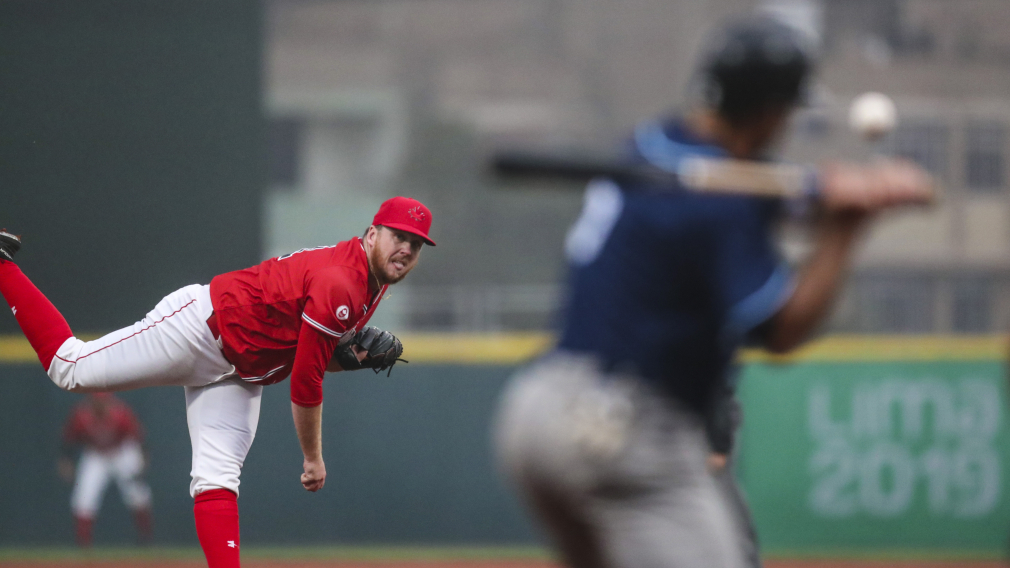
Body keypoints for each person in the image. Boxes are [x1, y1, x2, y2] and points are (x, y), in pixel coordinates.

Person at [493, 16, 934, 568]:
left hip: (538, 414)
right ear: (772, 110)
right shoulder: (717, 205)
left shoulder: (653, 145)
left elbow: (753, 193)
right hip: (626, 438)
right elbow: (781, 329)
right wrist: (846, 229)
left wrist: (825, 190)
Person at [0, 196, 434, 568]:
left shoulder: (373, 282)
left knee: (217, 479)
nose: (407, 250)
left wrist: (349, 359)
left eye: (416, 244)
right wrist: (313, 458)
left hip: (241, 371)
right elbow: (305, 381)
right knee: (69, 367)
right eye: (400, 237)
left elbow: (305, 354)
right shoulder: (344, 281)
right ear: (372, 234)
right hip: (198, 330)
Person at [59, 392, 153, 548]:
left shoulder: (120, 412)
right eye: (97, 402)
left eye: (103, 401)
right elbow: (69, 440)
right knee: (83, 498)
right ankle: (84, 546)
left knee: (138, 495)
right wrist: (66, 461)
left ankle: (146, 539)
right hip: (95, 455)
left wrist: (142, 459)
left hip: (121, 452)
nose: (101, 405)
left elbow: (138, 437)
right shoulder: (82, 415)